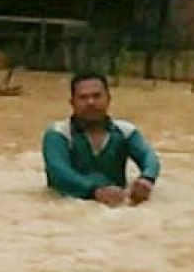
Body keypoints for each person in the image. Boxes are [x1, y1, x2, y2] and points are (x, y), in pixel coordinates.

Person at [42, 72, 161, 206]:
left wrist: (146, 179)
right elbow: (60, 173)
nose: (90, 102)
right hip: (65, 207)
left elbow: (149, 157)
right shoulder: (58, 134)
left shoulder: (125, 132)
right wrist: (95, 191)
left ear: (108, 99)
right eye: (83, 97)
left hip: (116, 208)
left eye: (97, 96)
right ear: (72, 102)